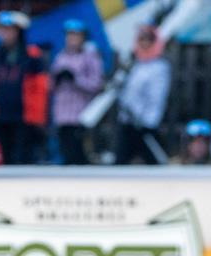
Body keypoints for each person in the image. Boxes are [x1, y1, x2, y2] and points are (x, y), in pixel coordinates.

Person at [0, 11, 49, 164]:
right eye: (2, 29)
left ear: (18, 32)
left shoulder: (32, 56)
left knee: (24, 158)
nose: (4, 33)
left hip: (24, 118)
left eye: (9, 29)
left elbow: (40, 89)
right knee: (3, 157)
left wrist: (37, 118)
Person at [50, 19, 103, 165]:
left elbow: (96, 84)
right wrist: (57, 79)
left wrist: (76, 79)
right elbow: (51, 86)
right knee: (66, 153)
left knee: (78, 153)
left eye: (76, 35)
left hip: (81, 114)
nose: (72, 38)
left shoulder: (90, 56)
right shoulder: (61, 56)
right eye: (69, 35)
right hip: (62, 114)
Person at [115, 24, 171, 165]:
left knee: (154, 163)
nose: (144, 43)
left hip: (145, 126)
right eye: (141, 39)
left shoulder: (159, 67)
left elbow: (157, 97)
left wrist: (148, 122)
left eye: (148, 40)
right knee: (120, 163)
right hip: (128, 123)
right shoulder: (134, 64)